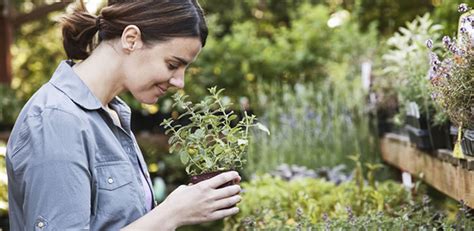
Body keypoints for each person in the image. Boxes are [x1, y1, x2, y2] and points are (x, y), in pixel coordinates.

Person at [5, 0, 242, 230]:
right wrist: (171, 214)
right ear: (131, 39)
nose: (180, 82)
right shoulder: (58, 120)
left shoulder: (113, 115)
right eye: (172, 64)